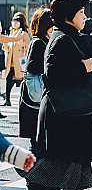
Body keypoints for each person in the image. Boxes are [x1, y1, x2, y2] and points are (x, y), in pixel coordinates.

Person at [9, 0, 92, 190]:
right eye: (81, 12)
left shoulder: (69, 36)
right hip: (64, 118)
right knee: (68, 170)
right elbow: (53, 76)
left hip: (72, 115)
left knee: (76, 169)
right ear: (69, 15)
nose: (84, 16)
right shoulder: (61, 39)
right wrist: (83, 67)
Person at [19, 8, 53, 140]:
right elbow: (32, 66)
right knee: (36, 141)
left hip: (33, 97)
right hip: (35, 94)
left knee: (37, 140)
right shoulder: (39, 42)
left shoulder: (41, 40)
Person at [3, 12, 31, 106]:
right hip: (10, 62)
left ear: (21, 22)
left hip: (19, 62)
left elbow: (28, 46)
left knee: (22, 82)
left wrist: (21, 43)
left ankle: (25, 100)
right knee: (8, 80)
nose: (14, 23)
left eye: (17, 21)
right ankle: (7, 99)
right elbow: (7, 47)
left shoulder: (24, 33)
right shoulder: (11, 33)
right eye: (13, 21)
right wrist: (6, 44)